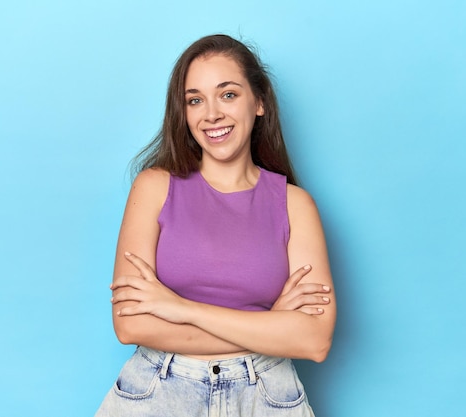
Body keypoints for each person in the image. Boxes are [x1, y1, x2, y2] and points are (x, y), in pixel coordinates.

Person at [95, 34, 336, 417]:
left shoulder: (295, 205)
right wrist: (270, 327)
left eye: (228, 94)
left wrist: (179, 308)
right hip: (159, 394)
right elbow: (130, 325)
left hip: (266, 397)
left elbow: (314, 340)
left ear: (259, 102)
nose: (211, 114)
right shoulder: (154, 187)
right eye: (195, 100)